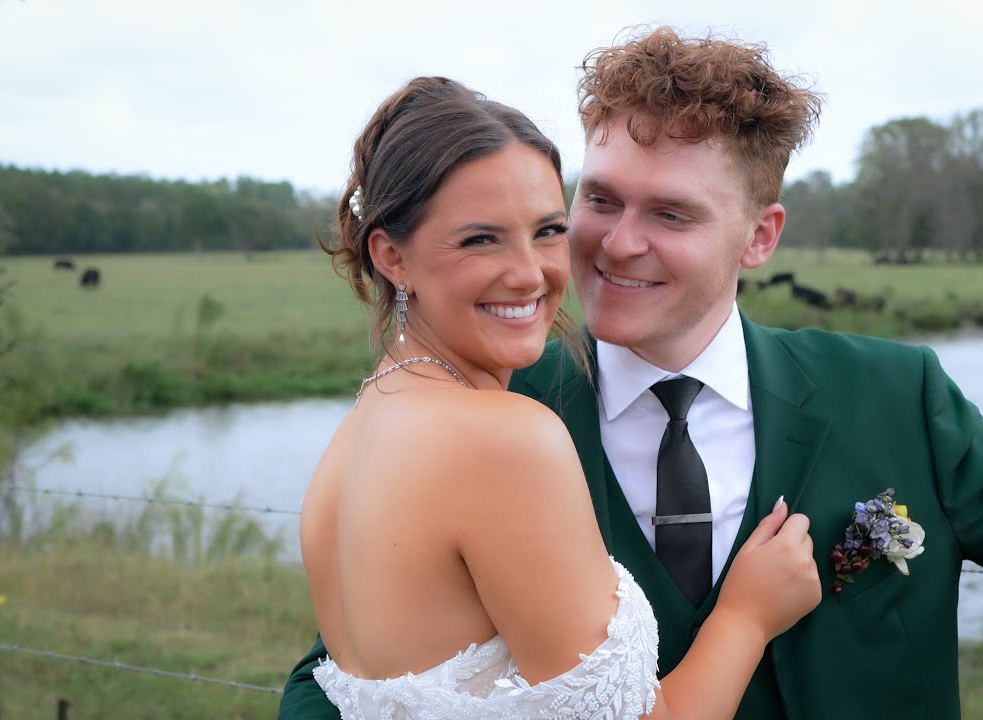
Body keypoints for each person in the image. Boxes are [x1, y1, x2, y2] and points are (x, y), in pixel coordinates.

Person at [282, 30, 983, 720]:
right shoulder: (497, 415)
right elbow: (353, 676)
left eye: (673, 215)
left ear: (760, 237)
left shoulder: (895, 396)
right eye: (600, 199)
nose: (616, 244)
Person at [294, 75, 822, 719]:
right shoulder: (503, 437)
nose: (532, 272)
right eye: (480, 238)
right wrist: (745, 616)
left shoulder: (366, 421)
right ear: (392, 256)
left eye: (547, 231)